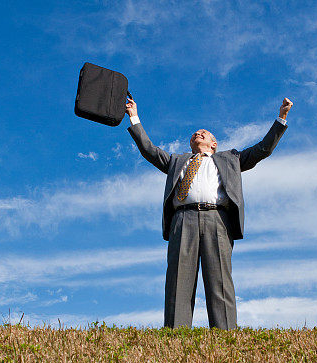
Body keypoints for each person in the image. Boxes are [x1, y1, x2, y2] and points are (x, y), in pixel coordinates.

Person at [125, 96, 293, 329]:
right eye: (195, 133)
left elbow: (263, 149)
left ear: (214, 144)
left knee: (220, 281)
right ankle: (176, 336)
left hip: (218, 220)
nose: (198, 133)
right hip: (183, 220)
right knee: (178, 281)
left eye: (204, 133)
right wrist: (134, 115)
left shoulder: (230, 159)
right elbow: (149, 149)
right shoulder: (176, 161)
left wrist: (281, 117)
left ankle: (225, 337)